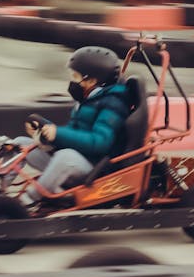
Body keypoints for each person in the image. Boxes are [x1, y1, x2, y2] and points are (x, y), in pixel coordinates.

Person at [14, 46, 131, 205]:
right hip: (77, 159)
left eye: (76, 77)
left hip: (95, 167)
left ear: (91, 81)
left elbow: (100, 142)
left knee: (65, 156)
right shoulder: (88, 99)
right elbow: (75, 132)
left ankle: (25, 202)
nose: (72, 81)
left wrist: (58, 134)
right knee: (20, 144)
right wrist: (46, 128)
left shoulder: (114, 104)